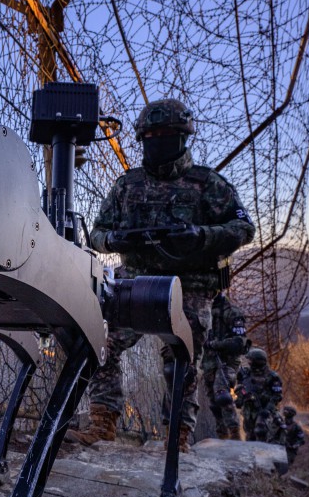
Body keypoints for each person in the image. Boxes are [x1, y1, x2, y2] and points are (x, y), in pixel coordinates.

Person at [68, 97, 255, 450]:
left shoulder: (208, 184)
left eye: (166, 134)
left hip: (190, 287)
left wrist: (201, 237)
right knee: (99, 339)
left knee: (180, 358)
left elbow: (244, 228)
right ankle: (103, 421)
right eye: (150, 135)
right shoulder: (127, 185)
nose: (157, 141)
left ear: (183, 137)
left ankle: (177, 436)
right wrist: (114, 238)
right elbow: (96, 233)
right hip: (134, 280)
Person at [202, 292, 249, 440]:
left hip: (227, 362)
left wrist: (216, 345)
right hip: (209, 362)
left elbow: (239, 343)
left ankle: (235, 434)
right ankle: (222, 435)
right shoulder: (203, 311)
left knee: (222, 394)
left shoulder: (232, 313)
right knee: (214, 404)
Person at [235, 348, 284, 442]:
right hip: (249, 413)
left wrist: (267, 410)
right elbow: (240, 390)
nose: (248, 362)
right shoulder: (245, 374)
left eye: (250, 360)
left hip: (264, 413)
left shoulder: (272, 376)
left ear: (257, 362)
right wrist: (241, 395)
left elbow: (277, 396)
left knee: (262, 436)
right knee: (250, 439)